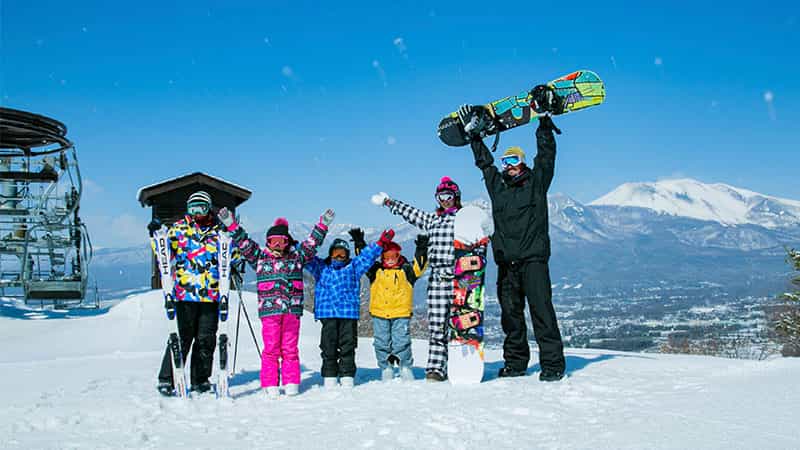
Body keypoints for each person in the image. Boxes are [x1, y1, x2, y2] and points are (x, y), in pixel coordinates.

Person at [457, 91, 567, 381]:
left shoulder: (537, 183)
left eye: (514, 159)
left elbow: (547, 156)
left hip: (533, 261)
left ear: (523, 162)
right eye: (505, 160)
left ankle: (553, 365)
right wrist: (474, 138)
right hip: (507, 263)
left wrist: (543, 121)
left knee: (542, 312)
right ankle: (516, 363)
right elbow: (485, 165)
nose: (508, 164)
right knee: (511, 317)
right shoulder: (498, 188)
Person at [217, 208, 333, 399]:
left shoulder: (296, 257)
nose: (279, 245)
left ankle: (291, 382)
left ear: (288, 242)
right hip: (270, 312)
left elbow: (312, 243)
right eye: (274, 242)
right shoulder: (260, 258)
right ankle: (270, 384)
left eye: (283, 241)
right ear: (268, 242)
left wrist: (323, 225)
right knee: (271, 348)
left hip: (292, 311)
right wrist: (231, 224)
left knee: (290, 348)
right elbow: (243, 242)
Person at [148, 191, 241, 396]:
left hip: (211, 294)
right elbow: (164, 253)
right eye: (193, 208)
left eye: (201, 208)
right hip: (185, 295)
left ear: (208, 209)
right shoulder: (179, 229)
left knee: (206, 339)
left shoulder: (218, 232)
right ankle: (167, 378)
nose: (197, 213)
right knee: (181, 337)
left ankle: (201, 379)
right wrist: (155, 236)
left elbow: (232, 256)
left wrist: (233, 250)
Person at [371, 177, 462, 382]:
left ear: (456, 196)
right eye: (441, 196)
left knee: (460, 325)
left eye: (449, 196)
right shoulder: (433, 220)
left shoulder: (464, 219)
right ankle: (436, 368)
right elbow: (412, 213)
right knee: (438, 326)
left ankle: (460, 365)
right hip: (438, 278)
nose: (445, 200)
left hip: (460, 278)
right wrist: (390, 202)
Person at [306, 229, 394, 388]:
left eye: (342, 254)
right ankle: (330, 375)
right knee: (328, 345)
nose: (339, 257)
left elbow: (367, 257)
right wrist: (291, 243)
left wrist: (381, 243)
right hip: (328, 313)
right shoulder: (321, 267)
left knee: (348, 345)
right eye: (335, 253)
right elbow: (305, 257)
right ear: (330, 254)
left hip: (348, 313)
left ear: (347, 255)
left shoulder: (353, 267)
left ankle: (347, 374)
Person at [350, 228, 429, 381]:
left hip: (400, 313)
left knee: (402, 341)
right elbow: (364, 259)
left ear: (399, 255)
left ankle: (405, 366)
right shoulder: (376, 270)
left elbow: (420, 265)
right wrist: (359, 242)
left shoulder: (407, 270)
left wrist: (422, 247)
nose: (391, 259)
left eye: (394, 255)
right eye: (387, 256)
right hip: (380, 313)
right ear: (382, 257)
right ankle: (386, 367)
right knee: (381, 342)